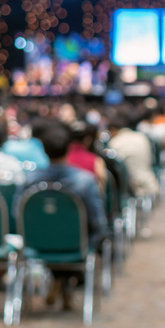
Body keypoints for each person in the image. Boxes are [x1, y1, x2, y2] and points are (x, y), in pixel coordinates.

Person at [17, 121, 109, 310]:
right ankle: (65, 283)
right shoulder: (85, 181)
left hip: (37, 242)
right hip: (75, 242)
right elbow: (97, 222)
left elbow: (16, 214)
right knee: (70, 233)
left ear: (43, 149)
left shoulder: (29, 180)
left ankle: (59, 281)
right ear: (68, 149)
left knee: (52, 228)